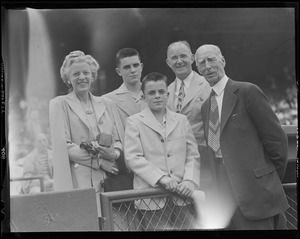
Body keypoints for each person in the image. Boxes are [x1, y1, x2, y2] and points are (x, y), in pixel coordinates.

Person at [194, 44, 289, 230]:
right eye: (201, 63)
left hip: (257, 194)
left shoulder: (247, 91)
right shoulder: (206, 107)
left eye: (211, 59)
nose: (207, 66)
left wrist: (266, 180)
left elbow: (277, 141)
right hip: (225, 201)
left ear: (223, 61)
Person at [49, 50, 123, 216]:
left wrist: (114, 153)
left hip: (111, 178)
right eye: (76, 74)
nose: (82, 77)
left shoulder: (107, 103)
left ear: (93, 76)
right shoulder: (59, 104)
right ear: (68, 79)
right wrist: (99, 163)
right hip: (79, 179)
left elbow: (118, 140)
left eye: (86, 73)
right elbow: (64, 146)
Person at [124, 72, 200, 230]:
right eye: (151, 93)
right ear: (143, 97)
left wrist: (189, 180)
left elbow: (192, 156)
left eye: (161, 92)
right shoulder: (134, 122)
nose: (157, 96)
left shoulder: (181, 120)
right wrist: (162, 178)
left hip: (182, 196)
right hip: (151, 199)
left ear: (168, 94)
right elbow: (133, 158)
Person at [166, 41, 211, 189]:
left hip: (205, 161)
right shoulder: (166, 91)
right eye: (174, 58)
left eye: (183, 56)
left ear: (192, 58)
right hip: (176, 164)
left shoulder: (208, 85)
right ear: (168, 62)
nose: (179, 61)